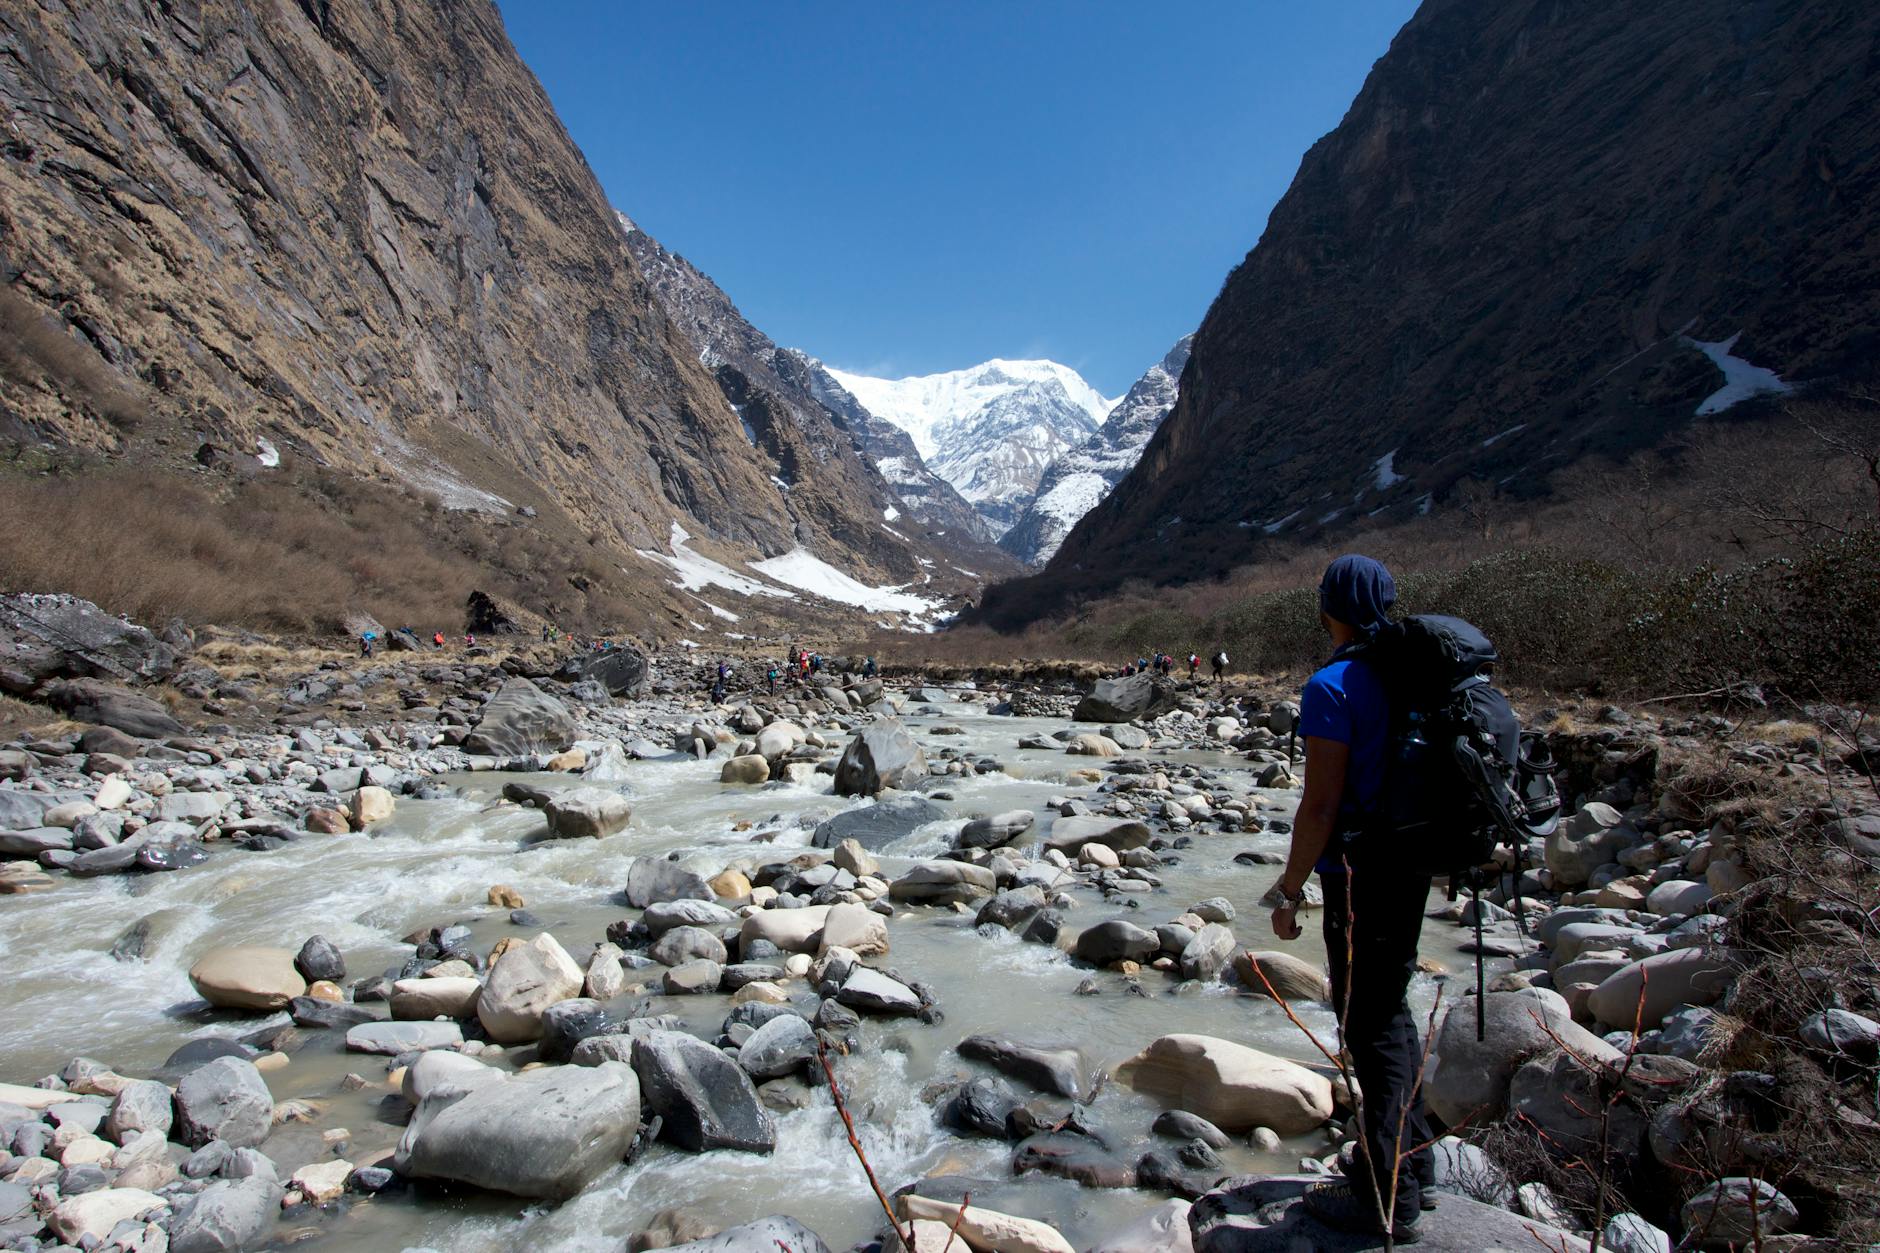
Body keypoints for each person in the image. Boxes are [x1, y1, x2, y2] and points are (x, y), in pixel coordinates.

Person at [1268, 554, 1434, 1242]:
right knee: (1389, 1006)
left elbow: (1320, 805)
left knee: (1365, 1021)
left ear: (1328, 609)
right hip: (1412, 864)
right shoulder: (1411, 676)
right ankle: (1415, 1164)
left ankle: (1383, 1192)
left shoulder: (1331, 686)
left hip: (1358, 876)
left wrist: (1287, 887)